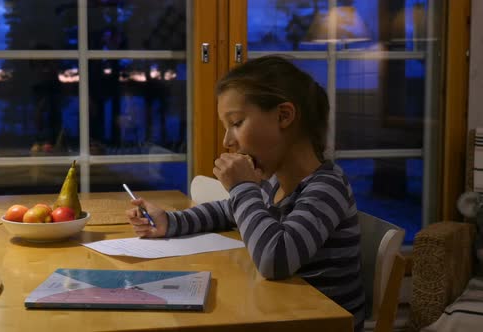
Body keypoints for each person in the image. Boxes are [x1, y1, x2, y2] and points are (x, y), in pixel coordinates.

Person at [125, 55, 365, 331]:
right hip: (278, 312)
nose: (227, 141)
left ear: (284, 116)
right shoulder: (274, 184)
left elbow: (276, 259)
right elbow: (226, 211)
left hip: (317, 323)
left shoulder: (327, 187)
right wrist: (170, 221)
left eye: (236, 123)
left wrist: (242, 186)